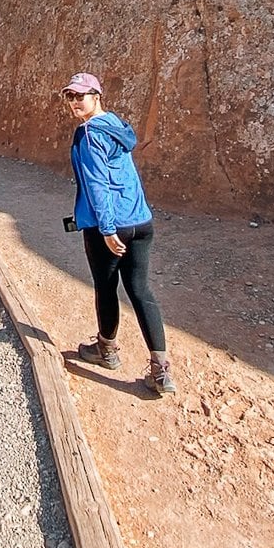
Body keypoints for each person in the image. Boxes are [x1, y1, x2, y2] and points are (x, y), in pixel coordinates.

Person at [62, 72, 176, 396]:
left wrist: (108, 229)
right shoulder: (115, 125)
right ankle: (161, 371)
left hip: (109, 226)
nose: (73, 102)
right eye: (69, 96)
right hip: (141, 221)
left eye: (80, 96)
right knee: (141, 290)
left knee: (107, 287)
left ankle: (106, 350)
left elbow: (99, 185)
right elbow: (122, 177)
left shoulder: (87, 135)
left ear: (97, 95)